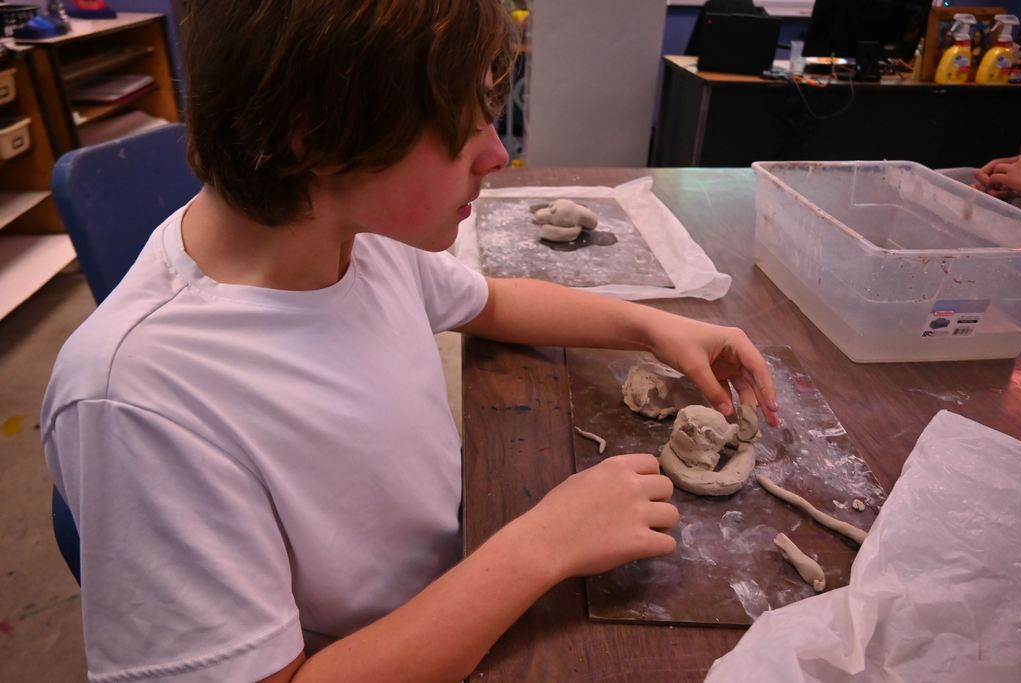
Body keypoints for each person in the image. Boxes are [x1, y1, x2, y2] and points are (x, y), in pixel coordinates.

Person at [40, 1, 779, 681]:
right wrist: (540, 545)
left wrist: (650, 325)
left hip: (451, 573)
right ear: (317, 137)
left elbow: (491, 301)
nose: (496, 155)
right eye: (460, 129)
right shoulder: (139, 396)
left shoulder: (354, 235)